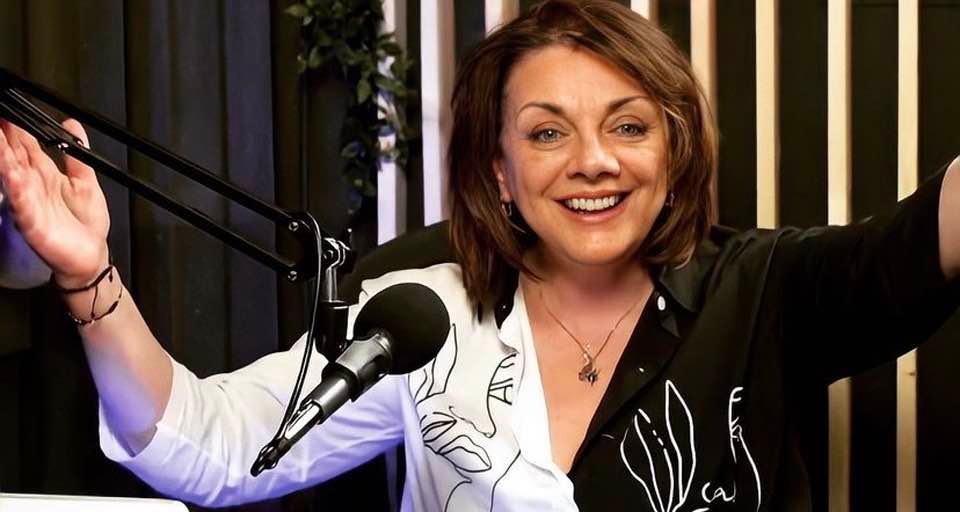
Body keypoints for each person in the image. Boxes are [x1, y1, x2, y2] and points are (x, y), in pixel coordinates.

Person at [1, 0, 958, 510]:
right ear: (498, 171)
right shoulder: (418, 312)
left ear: (674, 152)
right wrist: (88, 274)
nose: (592, 160)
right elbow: (211, 448)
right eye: (546, 132)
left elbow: (930, 237)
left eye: (628, 125)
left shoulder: (769, 288)